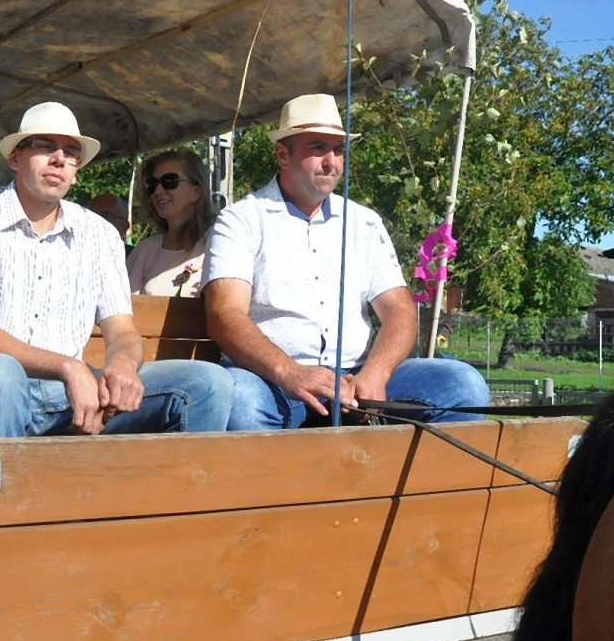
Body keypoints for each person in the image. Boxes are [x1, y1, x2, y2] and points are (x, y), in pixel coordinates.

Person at [0, 101, 232, 443]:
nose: (59, 158)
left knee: (207, 383)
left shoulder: (99, 234)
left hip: (67, 398)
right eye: (45, 146)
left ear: (76, 170)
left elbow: (123, 334)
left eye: (71, 153)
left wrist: (123, 365)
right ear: (15, 158)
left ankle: (170, 496)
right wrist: (71, 368)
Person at [202, 93, 489, 430]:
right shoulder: (241, 220)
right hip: (271, 379)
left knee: (462, 385)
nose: (332, 162)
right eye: (317, 148)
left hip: (355, 376)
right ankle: (284, 484)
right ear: (283, 154)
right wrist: (289, 372)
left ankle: (425, 484)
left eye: (338, 150)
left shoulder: (364, 222)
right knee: (242, 402)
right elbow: (224, 315)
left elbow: (398, 310)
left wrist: (376, 374)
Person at [127, 149, 216, 297]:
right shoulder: (145, 250)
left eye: (169, 182)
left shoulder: (218, 243)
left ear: (196, 192)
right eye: (152, 184)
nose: (158, 190)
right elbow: (123, 308)